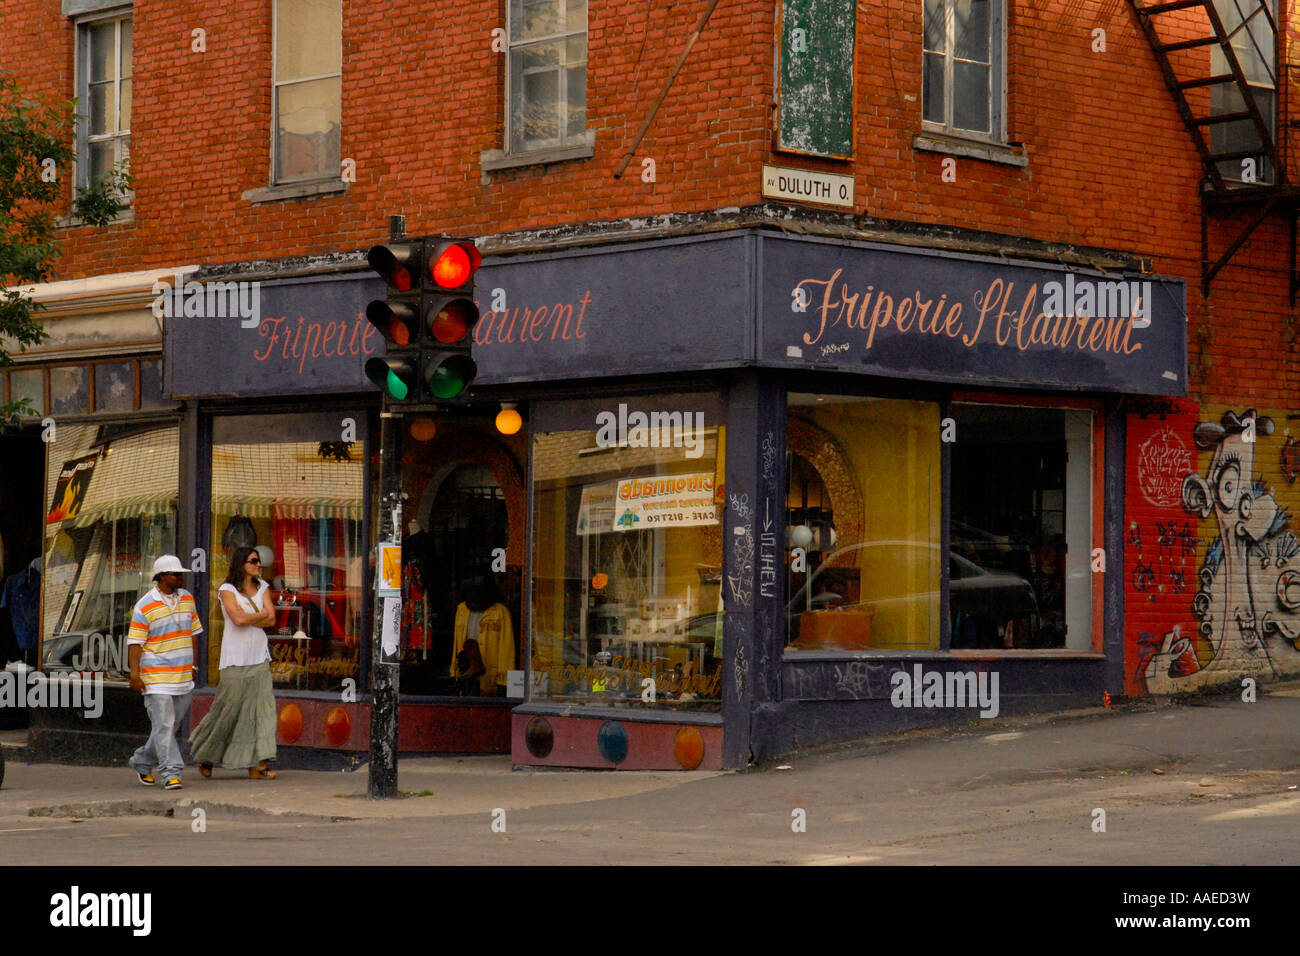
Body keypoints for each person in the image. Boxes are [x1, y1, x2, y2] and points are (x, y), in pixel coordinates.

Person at [189, 546, 280, 780]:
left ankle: (258, 764)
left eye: (259, 561)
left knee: (263, 712)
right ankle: (206, 754)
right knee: (227, 710)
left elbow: (272, 618)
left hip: (259, 657)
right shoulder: (226, 590)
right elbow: (238, 619)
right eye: (253, 561)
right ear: (241, 563)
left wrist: (252, 616)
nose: (258, 565)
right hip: (234, 659)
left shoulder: (264, 588)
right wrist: (258, 615)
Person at [127, 555, 203, 791]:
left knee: (167, 727)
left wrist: (193, 667)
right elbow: (135, 643)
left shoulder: (188, 599)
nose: (180, 577)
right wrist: (135, 674)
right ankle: (171, 773)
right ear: (160, 576)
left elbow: (194, 634)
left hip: (182, 676)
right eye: (175, 574)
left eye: (181, 574)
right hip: (156, 678)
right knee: (164, 726)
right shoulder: (144, 605)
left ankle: (141, 760)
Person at [449, 583, 515, 696]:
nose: (476, 605)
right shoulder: (462, 610)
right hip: (466, 668)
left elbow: (507, 647)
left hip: (491, 672)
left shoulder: (500, 612)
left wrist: (504, 681)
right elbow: (457, 641)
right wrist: (454, 671)